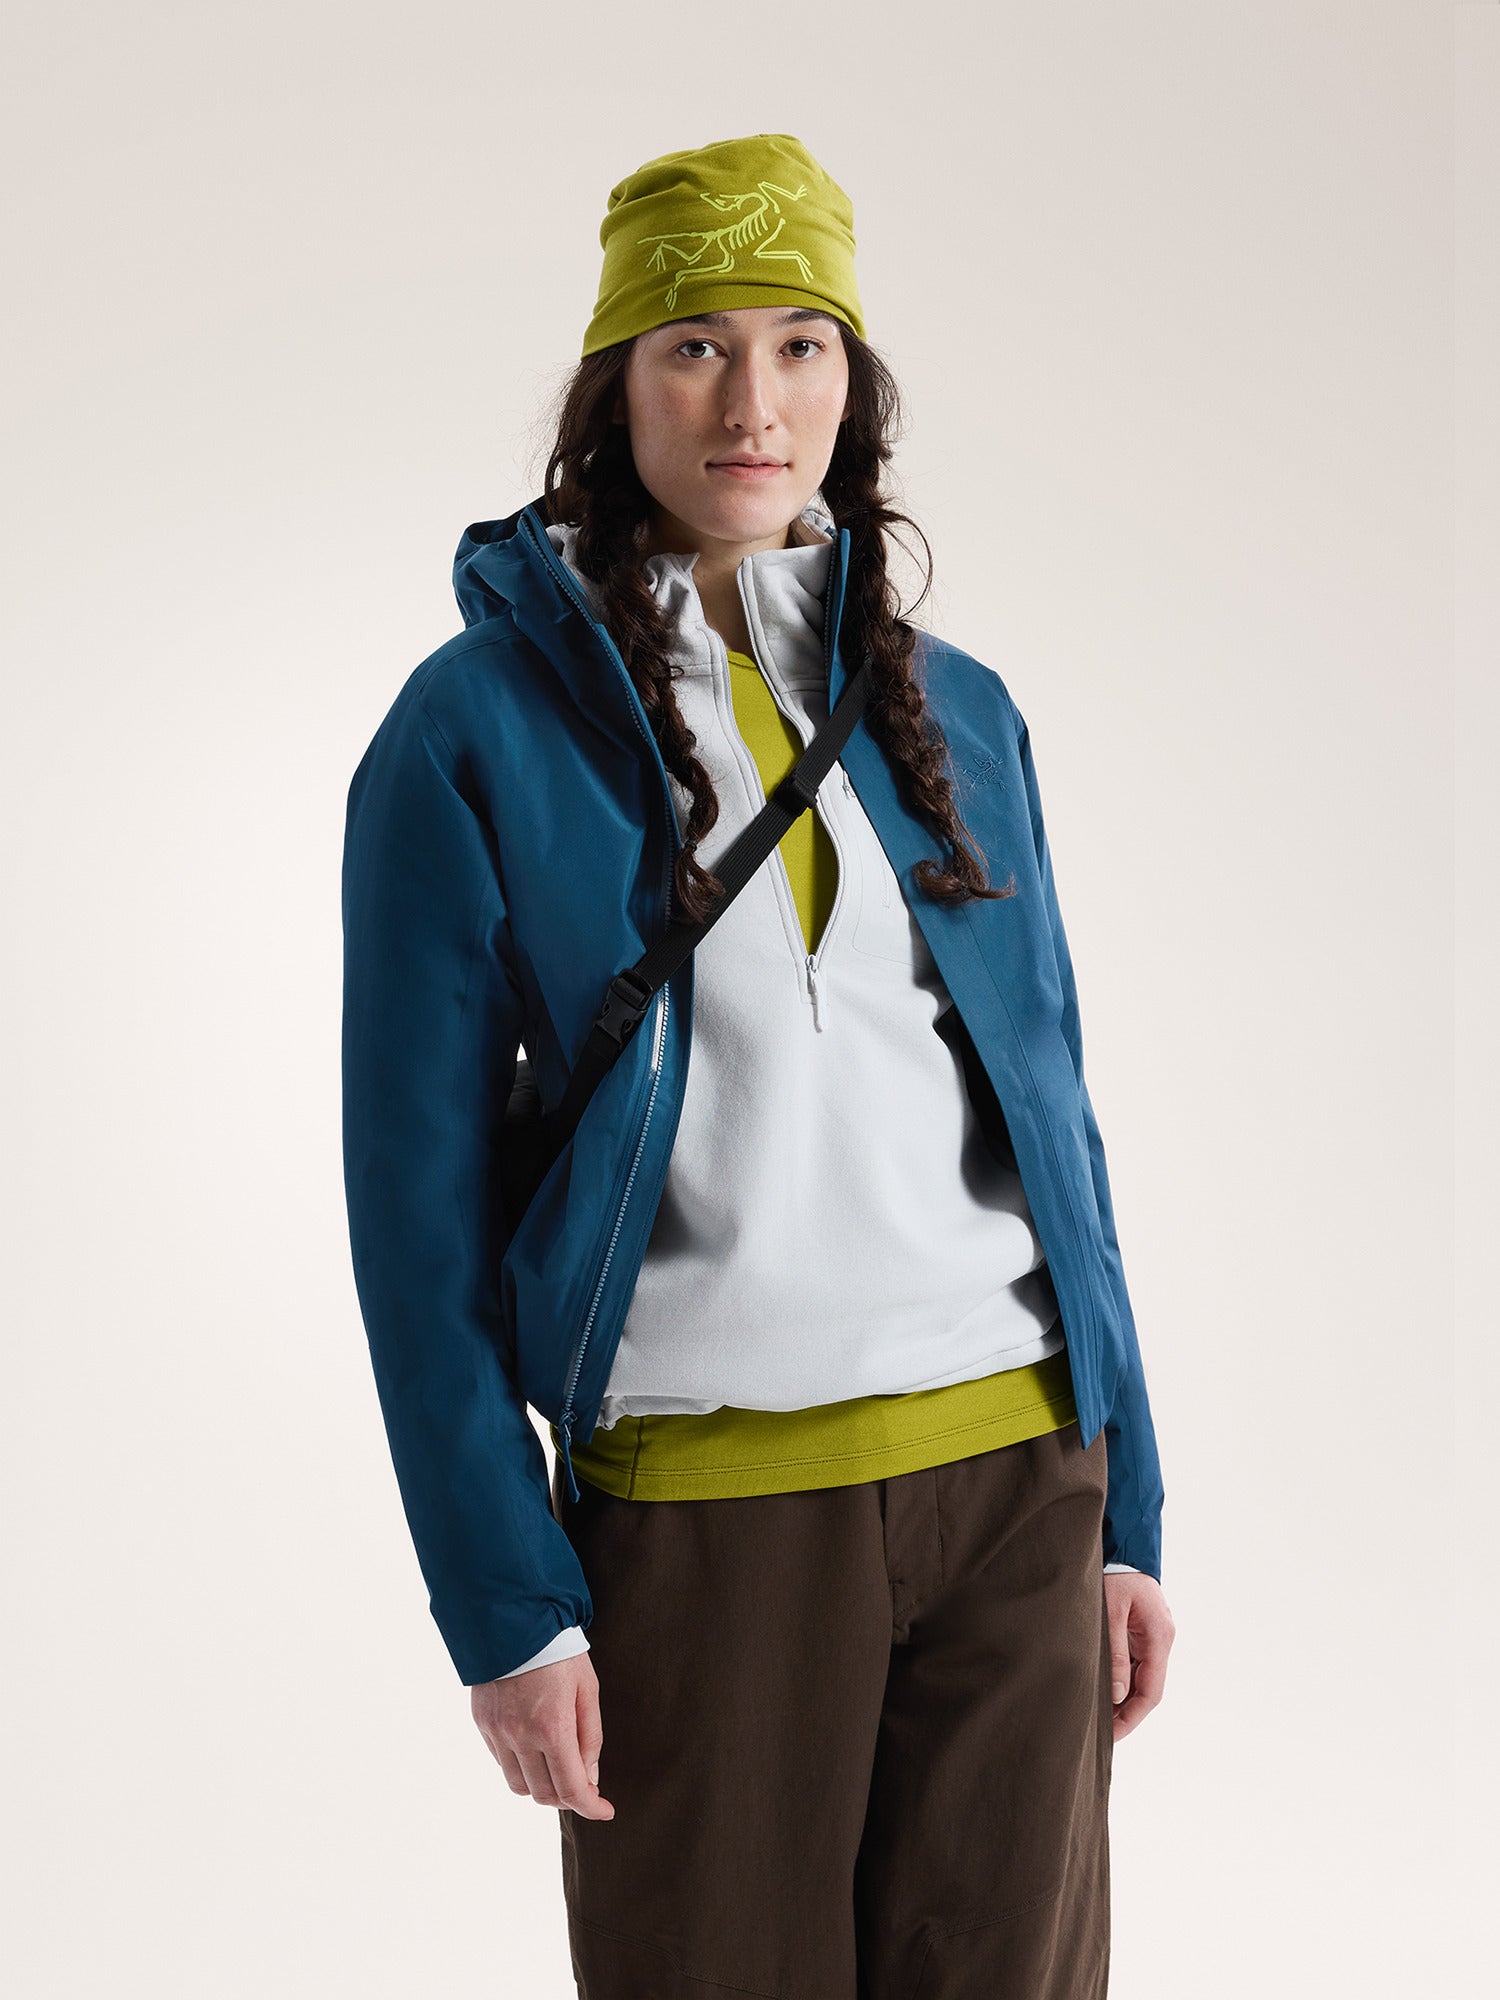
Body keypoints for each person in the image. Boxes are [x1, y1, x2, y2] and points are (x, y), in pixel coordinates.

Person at [341, 131, 1174, 2000]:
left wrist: (1128, 1508)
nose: (753, 404)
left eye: (802, 346)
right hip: (701, 1523)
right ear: (615, 384)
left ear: (852, 383)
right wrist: (504, 1602)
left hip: (1016, 1484)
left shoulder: (960, 708)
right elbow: (412, 1211)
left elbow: (1058, 1126)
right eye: (696, 347)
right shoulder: (468, 732)